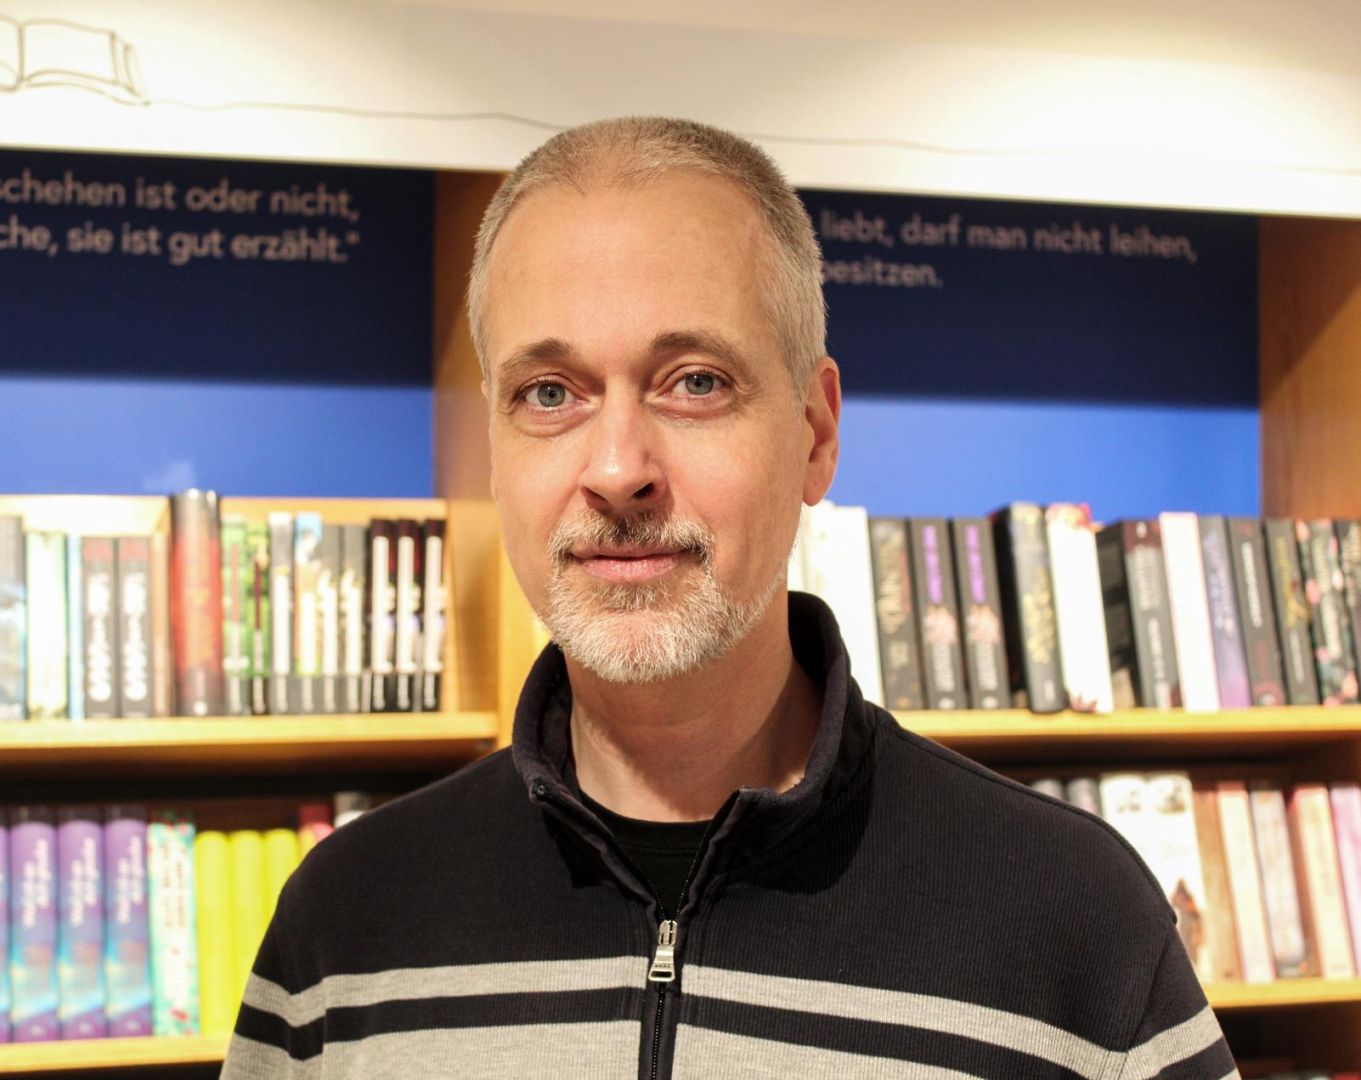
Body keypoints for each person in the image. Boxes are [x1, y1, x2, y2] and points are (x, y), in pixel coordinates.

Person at [221, 117, 1237, 1079]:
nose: (617, 469)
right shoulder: (342, 929)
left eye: (695, 382)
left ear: (815, 433)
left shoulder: (1072, 922)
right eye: (549, 393)